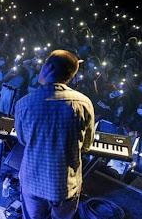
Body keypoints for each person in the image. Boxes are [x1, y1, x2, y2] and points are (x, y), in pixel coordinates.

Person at [14, 50, 95, 219]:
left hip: (33, 181)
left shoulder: (24, 104)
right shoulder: (84, 103)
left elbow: (22, 140)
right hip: (65, 185)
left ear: (48, 67)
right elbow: (86, 145)